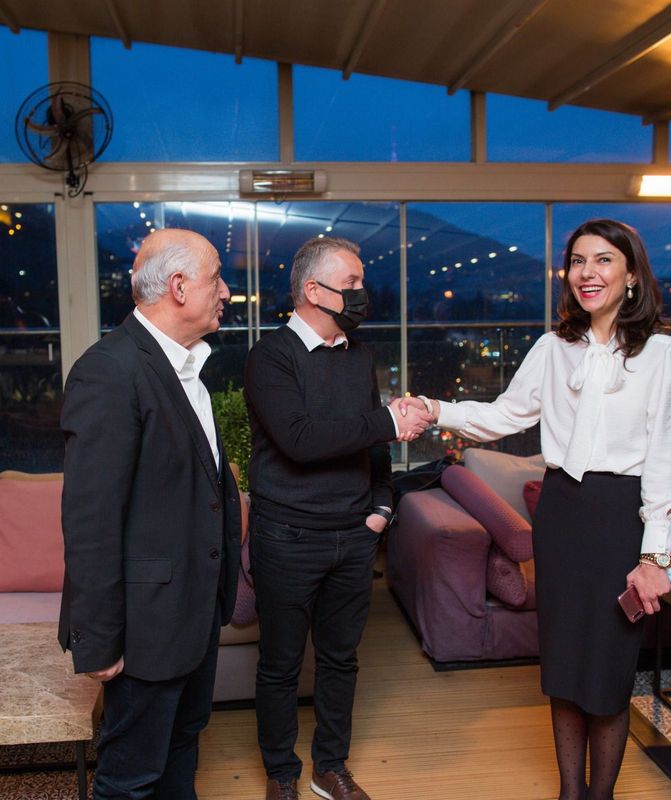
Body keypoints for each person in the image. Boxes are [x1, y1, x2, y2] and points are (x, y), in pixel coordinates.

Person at [406, 219, 671, 800]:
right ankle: (570, 794)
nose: (588, 273)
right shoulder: (553, 348)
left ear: (632, 275)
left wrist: (654, 557)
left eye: (604, 260)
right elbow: (505, 415)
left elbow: (668, 458)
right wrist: (437, 409)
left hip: (623, 518)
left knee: (607, 675)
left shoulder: (667, 355)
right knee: (563, 670)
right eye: (578, 261)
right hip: (562, 514)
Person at [245, 236, 431, 800]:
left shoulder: (359, 353)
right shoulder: (270, 356)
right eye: (350, 283)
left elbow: (370, 444)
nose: (360, 292)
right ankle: (281, 773)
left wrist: (382, 506)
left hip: (353, 536)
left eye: (360, 283)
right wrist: (388, 422)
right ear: (312, 289)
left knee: (340, 661)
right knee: (280, 665)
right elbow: (300, 440)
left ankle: (330, 768)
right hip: (286, 536)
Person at [58, 227, 241, 800]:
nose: (227, 292)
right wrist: (99, 641)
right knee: (130, 779)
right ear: (179, 287)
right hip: (145, 627)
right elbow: (91, 519)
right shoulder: (110, 370)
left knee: (182, 749)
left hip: (193, 612)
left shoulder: (188, 369)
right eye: (217, 278)